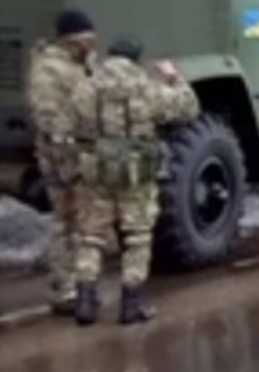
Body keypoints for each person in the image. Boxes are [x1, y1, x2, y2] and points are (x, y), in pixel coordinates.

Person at [69, 34, 199, 326]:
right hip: (135, 171)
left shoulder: (86, 87)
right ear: (136, 58)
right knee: (137, 236)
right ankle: (131, 305)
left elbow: (71, 119)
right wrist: (173, 77)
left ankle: (86, 302)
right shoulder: (147, 88)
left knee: (90, 235)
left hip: (97, 167)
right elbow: (188, 108)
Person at [26, 8, 98, 315]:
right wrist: (70, 158)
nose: (91, 44)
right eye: (87, 38)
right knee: (67, 222)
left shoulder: (77, 64)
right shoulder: (48, 70)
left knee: (83, 223)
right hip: (62, 156)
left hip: (80, 152)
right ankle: (64, 288)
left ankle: (79, 285)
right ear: (72, 38)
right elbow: (49, 117)